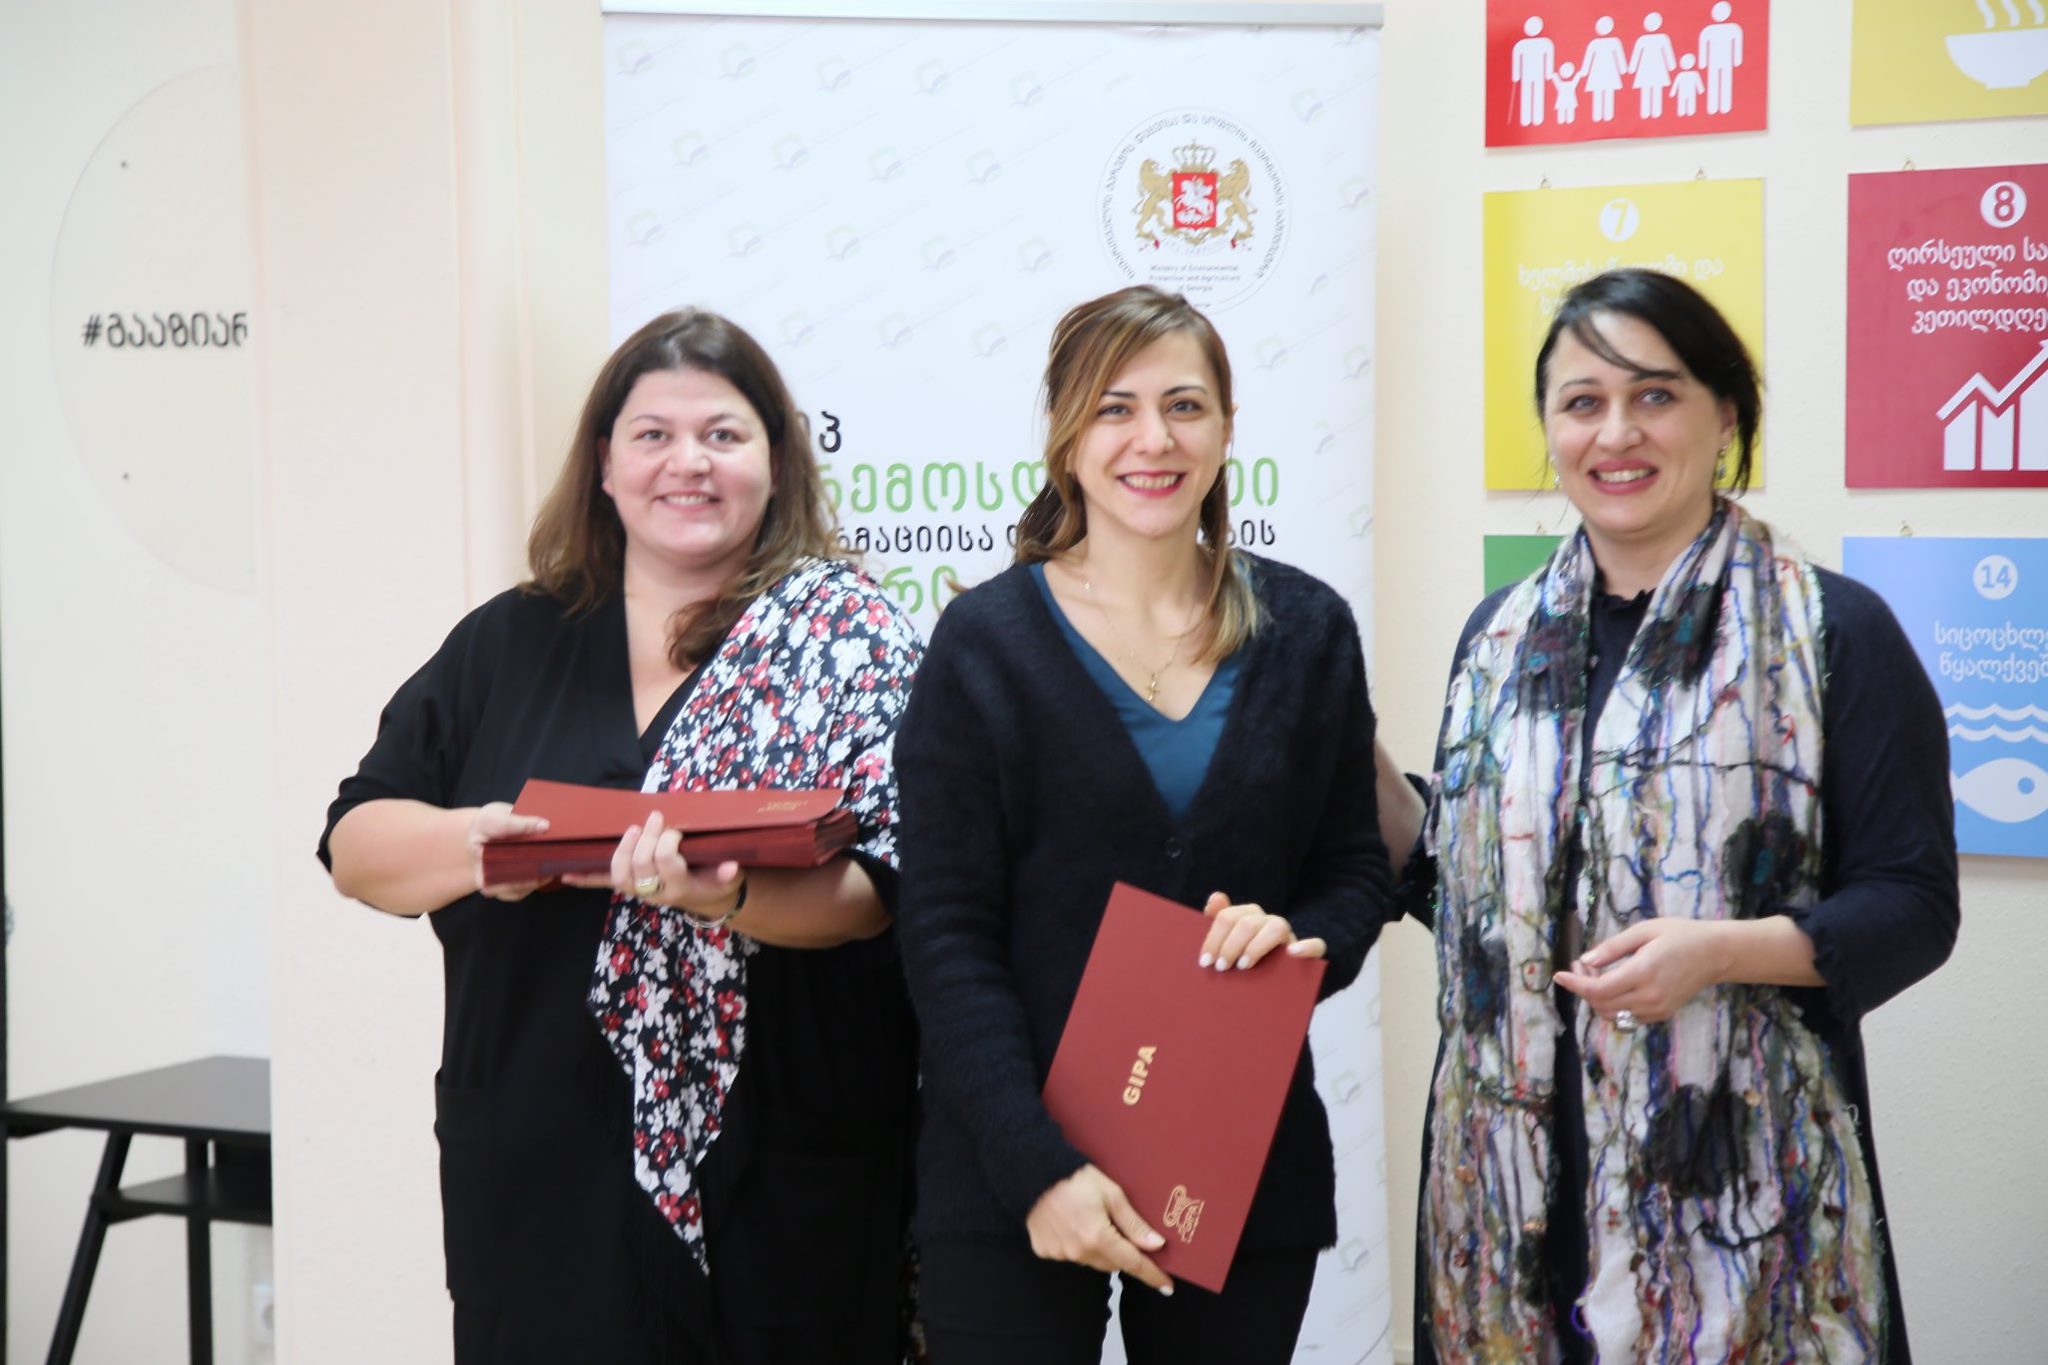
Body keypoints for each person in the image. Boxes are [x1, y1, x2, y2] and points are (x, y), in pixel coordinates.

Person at [319, 309, 924, 1364]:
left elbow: (884, 890)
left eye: (723, 435)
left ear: (777, 463)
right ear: (603, 465)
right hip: (541, 1178)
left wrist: (726, 897)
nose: (688, 463)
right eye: (653, 435)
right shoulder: (510, 639)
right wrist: (480, 847)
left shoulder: (851, 638)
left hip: (783, 1181)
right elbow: (355, 845)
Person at [1378, 269, 1958, 1363]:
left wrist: (1719, 952)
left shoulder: (1831, 631)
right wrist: (1343, 748)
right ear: (1549, 428)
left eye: (1654, 394)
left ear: (1724, 413)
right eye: (1581, 402)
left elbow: (1913, 906)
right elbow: (1465, 893)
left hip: (1746, 1208)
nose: (1615, 433)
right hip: (1508, 1203)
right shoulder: (1497, 640)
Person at [894, 284, 1395, 1364]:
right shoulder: (981, 645)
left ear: (1225, 429)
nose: (1152, 440)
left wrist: (1303, 939)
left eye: (1183, 406)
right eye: (1114, 408)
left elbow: (1356, 868)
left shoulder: (1309, 630)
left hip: (1239, 1168)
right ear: (1066, 436)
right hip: (1010, 1183)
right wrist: (1036, 1170)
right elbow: (944, 936)